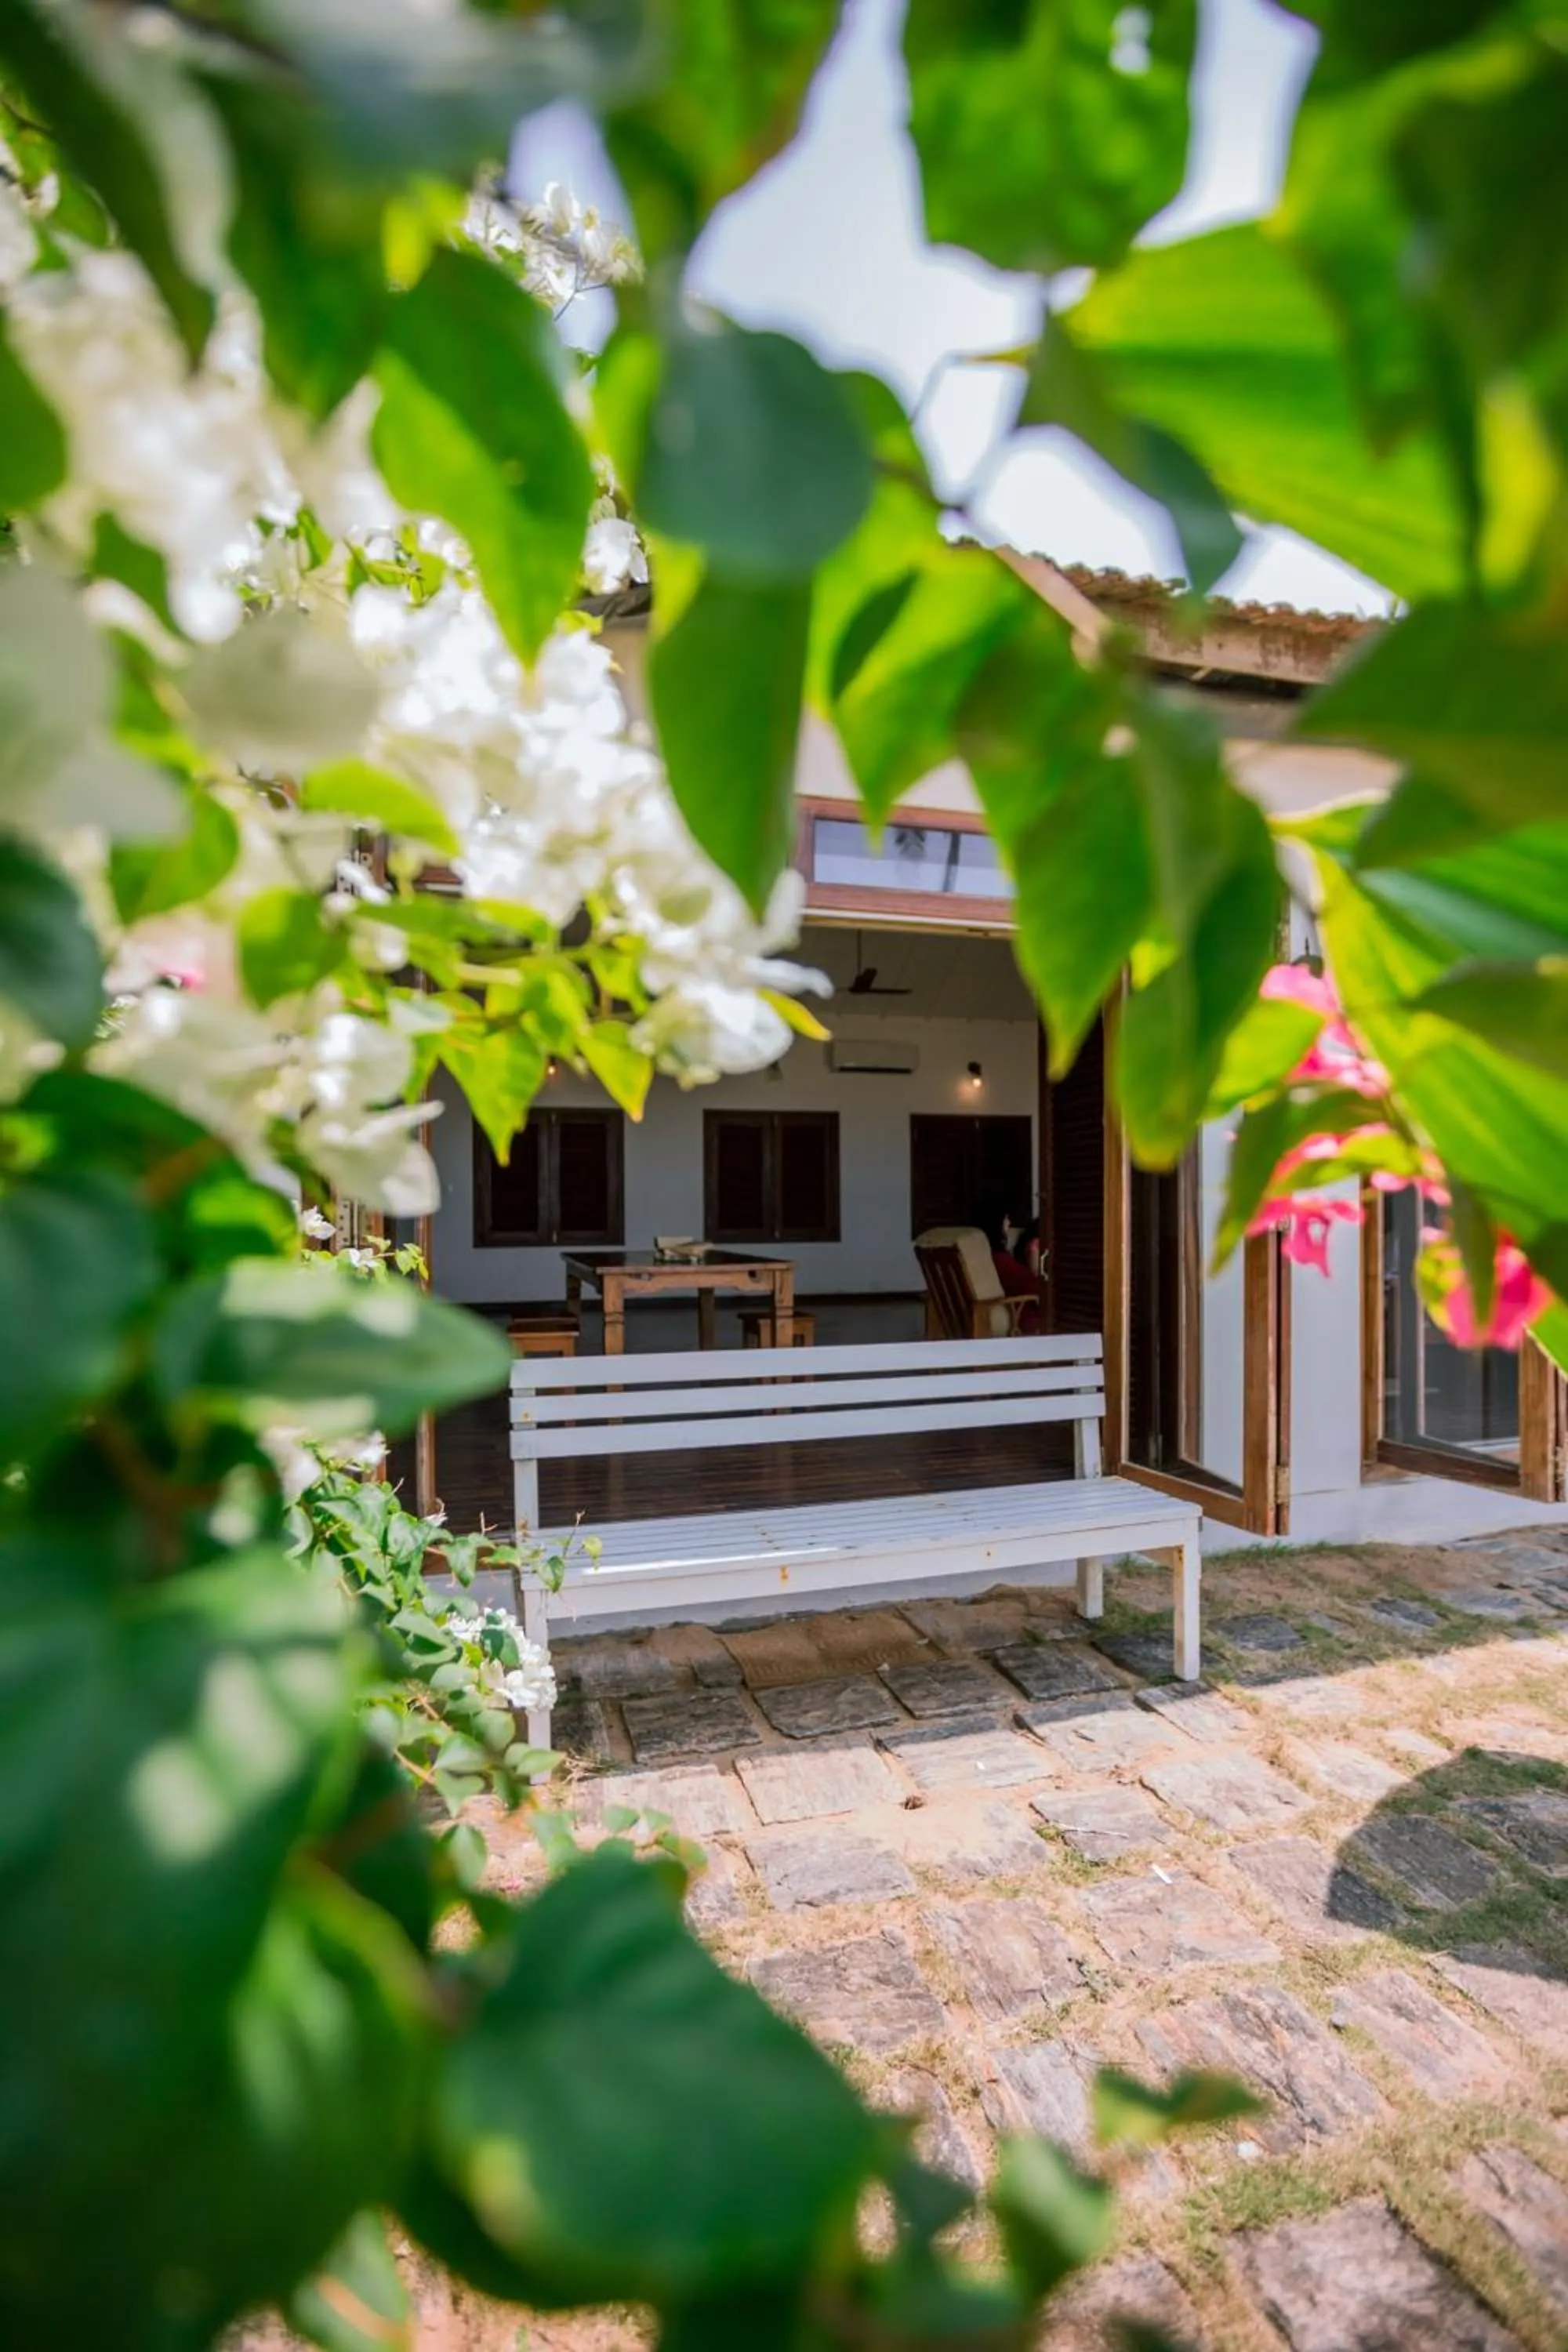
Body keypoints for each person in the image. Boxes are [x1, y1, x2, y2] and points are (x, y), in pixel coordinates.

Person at [977, 1203, 1040, 1333]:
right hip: (1020, 1316)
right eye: (1006, 1219)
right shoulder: (1000, 1259)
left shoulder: (984, 1257)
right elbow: (1030, 1284)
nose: (1009, 1223)